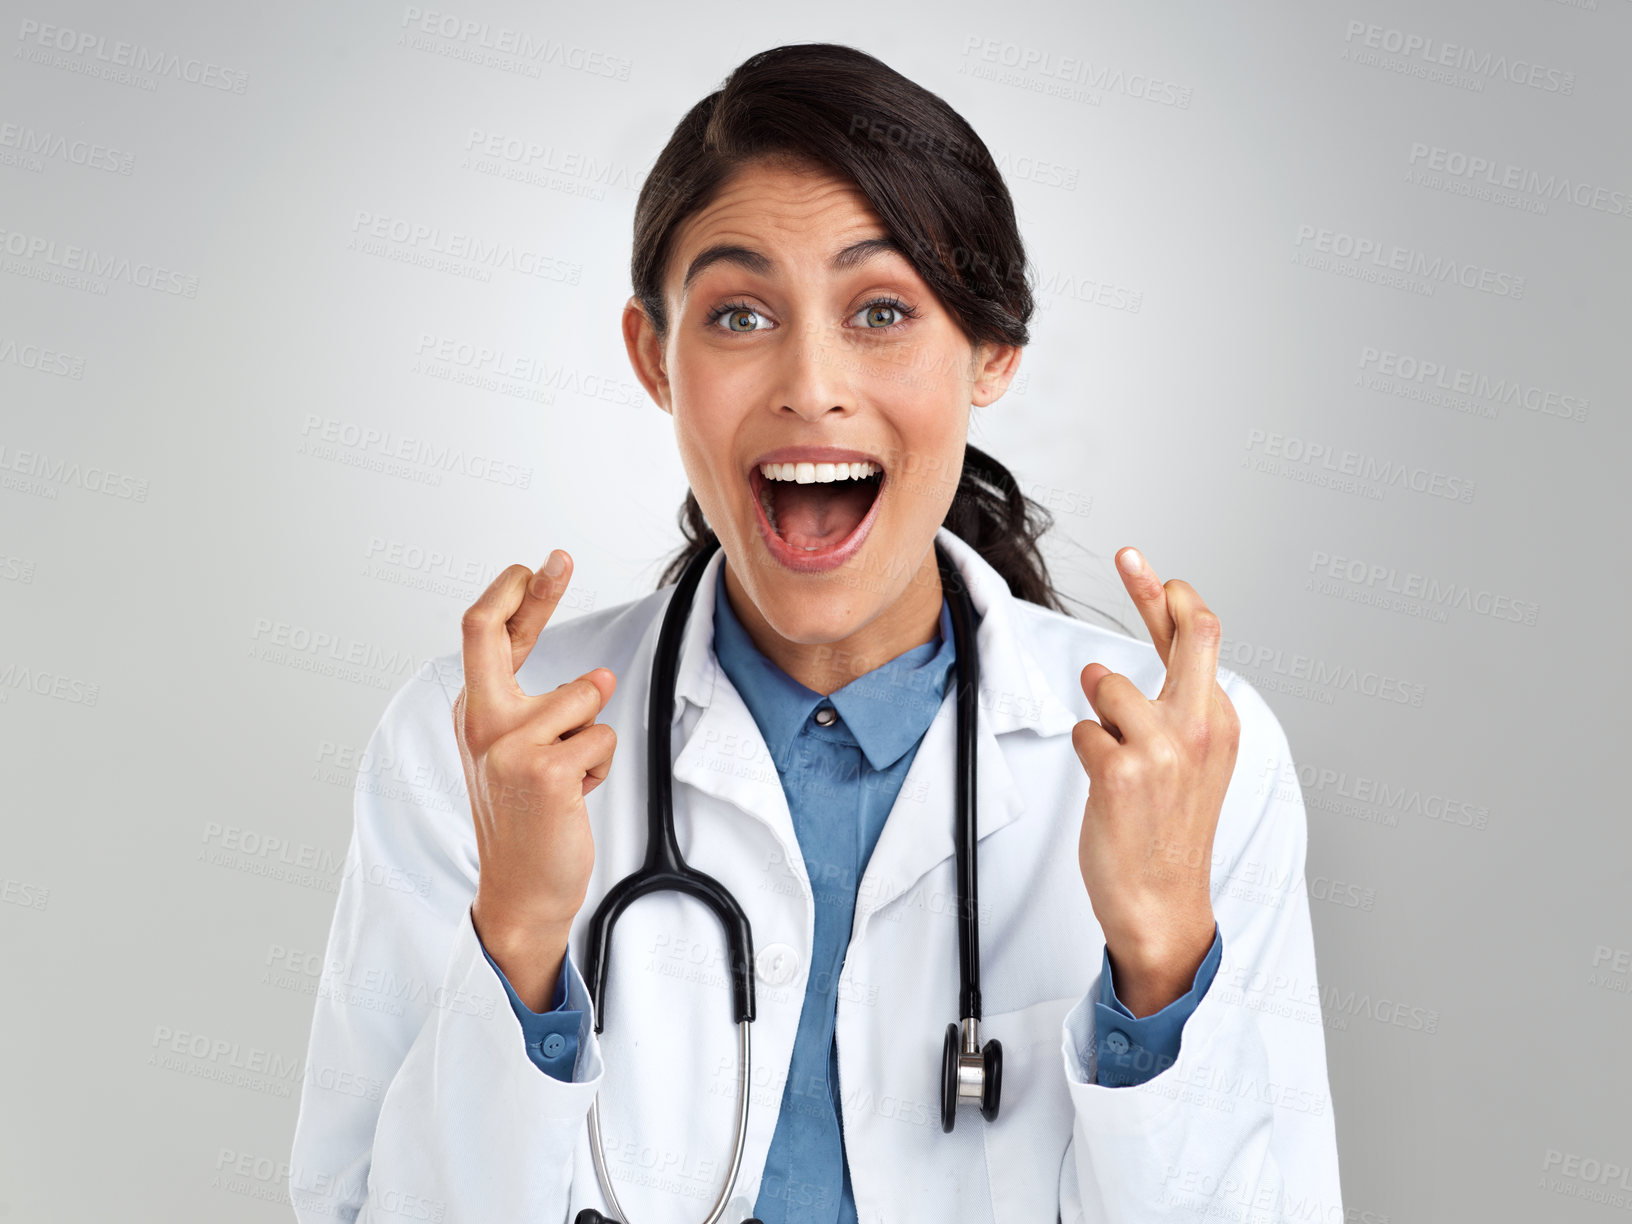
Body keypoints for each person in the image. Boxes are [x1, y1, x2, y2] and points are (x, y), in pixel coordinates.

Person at [289, 42, 1341, 1224]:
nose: (811, 383)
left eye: (882, 310)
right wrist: (522, 937)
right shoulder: (471, 745)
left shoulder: (1192, 752)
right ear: (653, 357)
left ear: (992, 352)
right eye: (739, 314)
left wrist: (1159, 959)